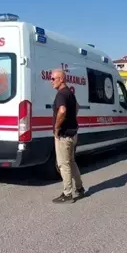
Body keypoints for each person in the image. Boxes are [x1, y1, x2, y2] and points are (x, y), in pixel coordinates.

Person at [50, 68, 85, 203]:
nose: (51, 81)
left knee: (63, 165)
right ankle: (80, 188)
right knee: (71, 162)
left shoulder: (61, 94)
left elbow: (62, 110)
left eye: (53, 79)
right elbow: (77, 107)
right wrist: (71, 120)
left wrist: (57, 127)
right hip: (73, 134)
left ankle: (68, 194)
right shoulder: (70, 93)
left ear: (61, 79)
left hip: (64, 136)